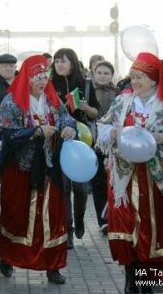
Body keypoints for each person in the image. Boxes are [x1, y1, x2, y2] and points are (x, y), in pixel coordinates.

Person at [97, 52, 163, 294]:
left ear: (153, 78)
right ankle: (131, 277)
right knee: (127, 226)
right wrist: (115, 133)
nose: (134, 82)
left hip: (158, 178)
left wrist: (161, 138)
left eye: (140, 77)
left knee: (153, 227)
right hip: (124, 178)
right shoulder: (123, 101)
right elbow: (103, 127)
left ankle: (146, 281)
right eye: (133, 76)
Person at [0, 54, 76, 284]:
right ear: (27, 79)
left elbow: (65, 118)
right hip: (21, 169)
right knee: (16, 214)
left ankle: (53, 264)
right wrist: (36, 132)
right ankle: (9, 255)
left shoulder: (52, 99)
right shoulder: (12, 101)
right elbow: (7, 133)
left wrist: (69, 129)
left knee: (53, 215)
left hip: (50, 166)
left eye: (44, 77)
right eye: (37, 77)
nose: (42, 82)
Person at [50, 48, 99, 248]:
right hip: (58, 138)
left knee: (80, 187)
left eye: (63, 61)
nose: (59, 65)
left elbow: (96, 113)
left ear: (73, 62)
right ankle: (67, 230)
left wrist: (87, 109)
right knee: (63, 187)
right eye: (56, 61)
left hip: (82, 140)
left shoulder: (85, 85)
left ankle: (79, 218)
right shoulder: (50, 85)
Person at [89, 61, 118, 234]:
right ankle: (103, 220)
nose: (102, 76)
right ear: (93, 73)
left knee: (114, 183)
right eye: (99, 72)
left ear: (111, 75)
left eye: (106, 73)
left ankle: (115, 217)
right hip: (93, 144)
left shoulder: (119, 94)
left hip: (114, 145)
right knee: (99, 183)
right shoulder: (88, 92)